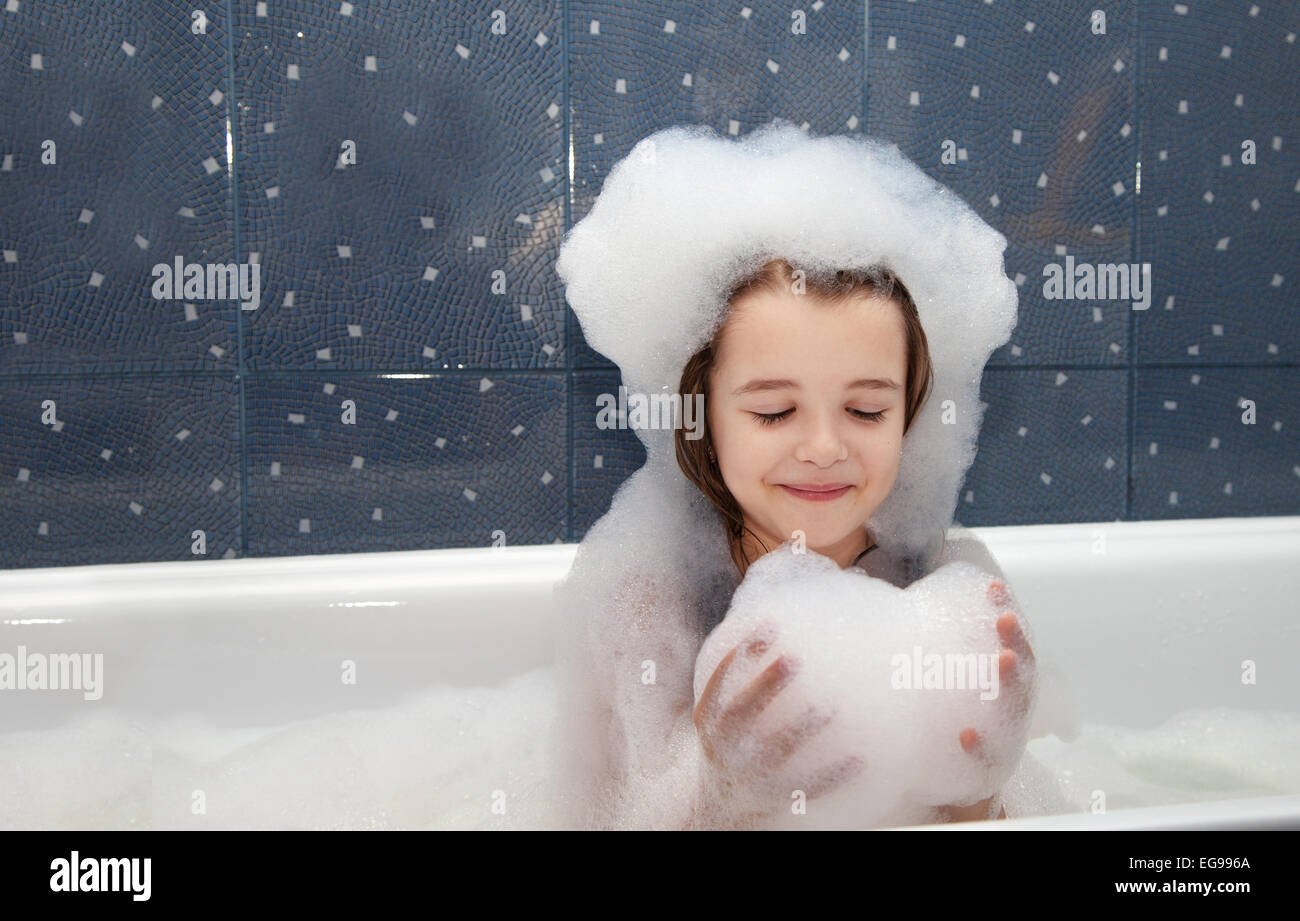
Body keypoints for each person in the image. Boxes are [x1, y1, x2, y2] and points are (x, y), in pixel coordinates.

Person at [673, 258, 1035, 828]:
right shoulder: (661, 614)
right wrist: (719, 803)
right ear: (705, 420)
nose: (824, 448)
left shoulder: (949, 598)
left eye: (866, 411)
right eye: (774, 412)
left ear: (906, 418)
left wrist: (979, 787)